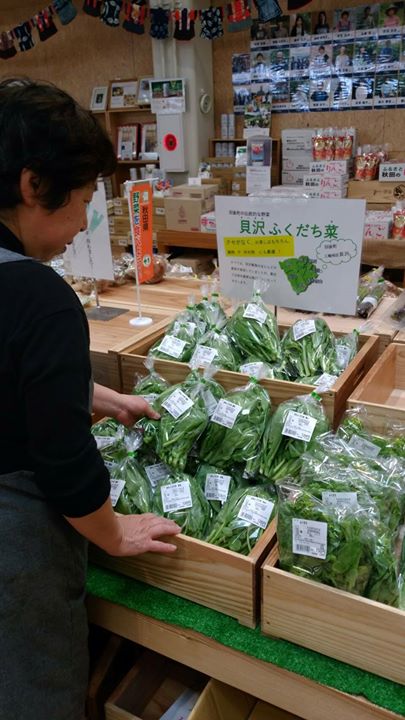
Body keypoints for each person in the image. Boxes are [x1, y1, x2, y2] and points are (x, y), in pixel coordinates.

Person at [0, 78, 181, 720]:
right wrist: (114, 532)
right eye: (80, 200)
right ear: (32, 186)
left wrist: (96, 395)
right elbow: (61, 460)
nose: (83, 225)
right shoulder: (41, 296)